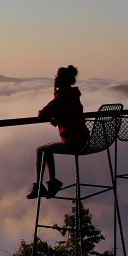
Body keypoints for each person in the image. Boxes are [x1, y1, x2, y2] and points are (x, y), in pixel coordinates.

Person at [27, 65, 91, 199]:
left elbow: (42, 114)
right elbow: (71, 114)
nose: (55, 80)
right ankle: (51, 183)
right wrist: (60, 118)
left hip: (75, 142)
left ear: (61, 81)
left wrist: (55, 113)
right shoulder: (73, 96)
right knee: (46, 149)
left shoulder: (62, 97)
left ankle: (42, 185)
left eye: (57, 78)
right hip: (84, 140)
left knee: (42, 150)